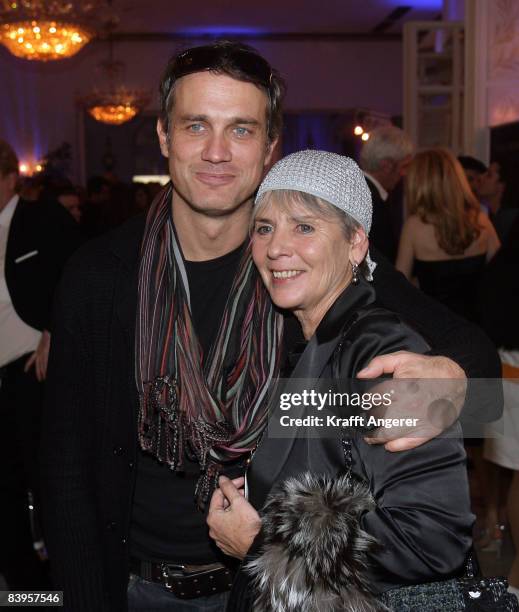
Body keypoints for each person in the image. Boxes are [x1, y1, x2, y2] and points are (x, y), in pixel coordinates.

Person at [41, 41, 502, 612]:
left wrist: (448, 380)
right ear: (164, 136)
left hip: (268, 587)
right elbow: (65, 464)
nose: (216, 152)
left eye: (240, 129)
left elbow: (482, 376)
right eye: (195, 126)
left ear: (268, 147)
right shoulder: (99, 276)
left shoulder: (299, 268)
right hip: (135, 585)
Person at [207, 150, 474, 611]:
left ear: (355, 243)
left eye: (304, 227)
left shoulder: (374, 353)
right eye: (265, 227)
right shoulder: (307, 340)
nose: (276, 247)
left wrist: (261, 541)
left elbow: (432, 537)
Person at [0, 139, 79, 589]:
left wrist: (54, 329)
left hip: (29, 373)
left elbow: (81, 274)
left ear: (10, 178)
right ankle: (25, 592)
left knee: (44, 484)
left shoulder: (41, 219)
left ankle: (60, 586)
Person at [396, 148, 501, 323]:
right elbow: (500, 272)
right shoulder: (481, 220)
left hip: (434, 326)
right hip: (477, 324)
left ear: (419, 183)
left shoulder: (414, 226)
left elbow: (399, 286)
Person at [359, 125, 414, 262]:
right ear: (387, 166)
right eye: (404, 166)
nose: (405, 174)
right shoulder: (371, 201)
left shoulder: (359, 189)